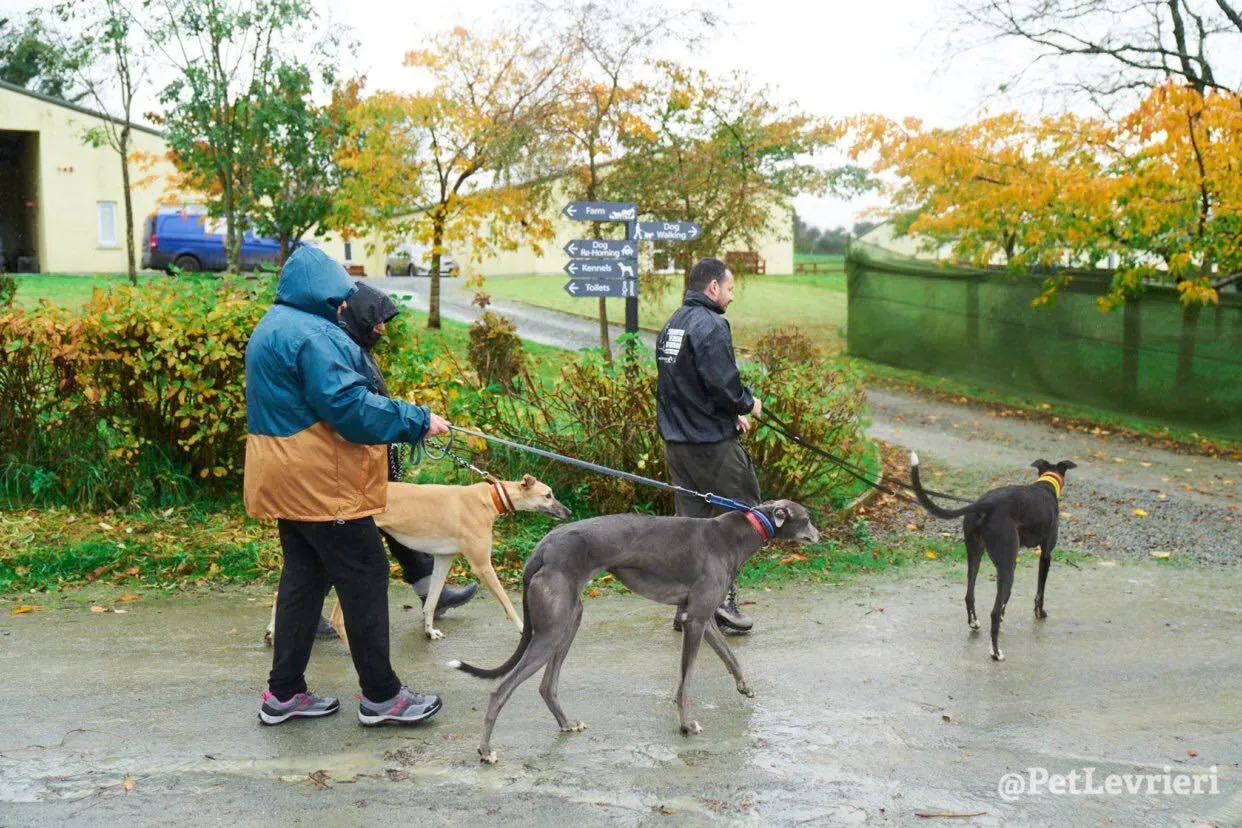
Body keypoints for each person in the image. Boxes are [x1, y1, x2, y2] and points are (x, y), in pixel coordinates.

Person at [245, 245, 450, 726]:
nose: (343, 306)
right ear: (321, 293)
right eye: (338, 298)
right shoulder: (314, 336)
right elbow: (350, 408)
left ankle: (283, 694)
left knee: (304, 579)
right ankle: (383, 697)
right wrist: (416, 419)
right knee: (365, 575)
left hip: (284, 475)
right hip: (323, 482)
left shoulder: (273, 325)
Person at [335, 281, 478, 613]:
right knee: (340, 543)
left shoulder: (358, 349)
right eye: (377, 320)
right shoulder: (344, 352)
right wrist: (416, 422)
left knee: (399, 521)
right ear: (360, 316)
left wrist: (408, 426)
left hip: (372, 458)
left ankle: (433, 594)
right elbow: (362, 409)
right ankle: (304, 615)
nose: (383, 328)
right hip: (353, 465)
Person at [655, 257, 763, 634]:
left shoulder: (673, 324)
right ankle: (721, 600)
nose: (732, 297)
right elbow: (722, 384)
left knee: (692, 528)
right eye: (730, 289)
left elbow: (684, 386)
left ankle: (689, 608)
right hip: (711, 447)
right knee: (744, 516)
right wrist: (747, 404)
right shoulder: (712, 324)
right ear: (713, 287)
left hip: (677, 444)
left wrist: (728, 416)